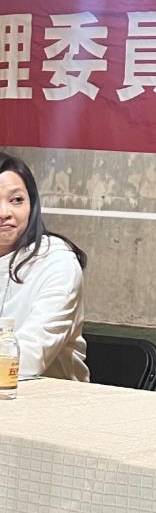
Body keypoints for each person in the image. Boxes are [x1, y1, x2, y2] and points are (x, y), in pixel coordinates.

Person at [0, 152, 88, 381]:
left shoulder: (57, 262)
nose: (4, 213)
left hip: (50, 398)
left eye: (16, 200)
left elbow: (30, 356)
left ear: (32, 204)